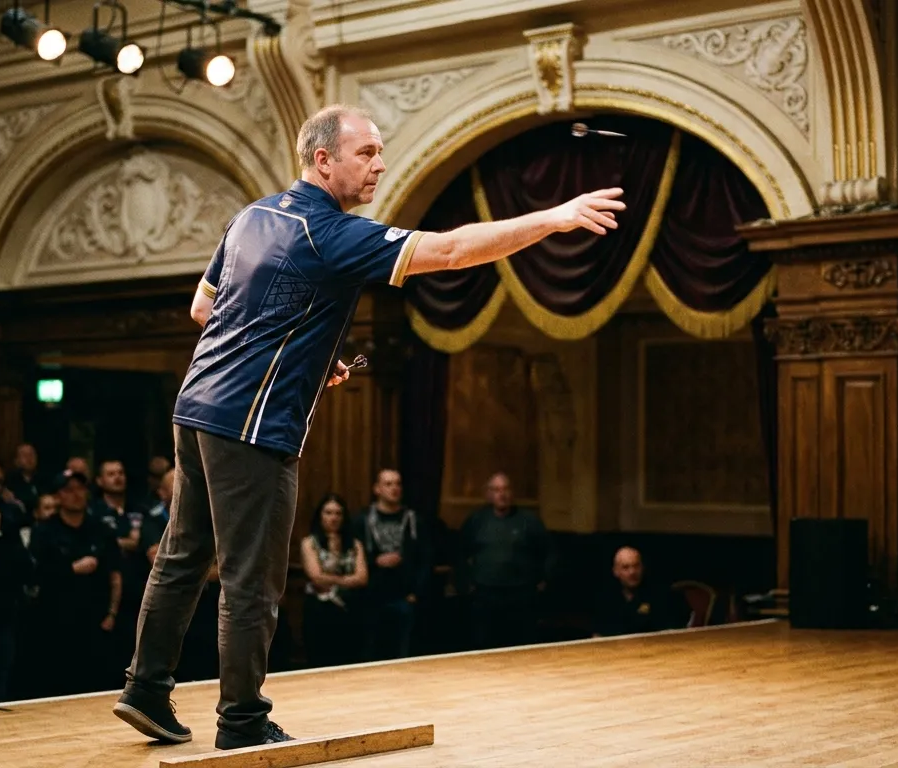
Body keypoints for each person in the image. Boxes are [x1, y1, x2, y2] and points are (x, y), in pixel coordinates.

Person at [113, 103, 626, 751]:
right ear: (322, 159)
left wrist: (305, 356)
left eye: (380, 151)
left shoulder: (251, 217)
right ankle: (241, 722)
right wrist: (552, 218)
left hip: (195, 408)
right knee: (252, 580)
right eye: (367, 153)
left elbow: (202, 308)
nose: (380, 164)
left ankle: (145, 690)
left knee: (182, 557)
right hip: (252, 423)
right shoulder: (329, 232)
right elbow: (449, 250)